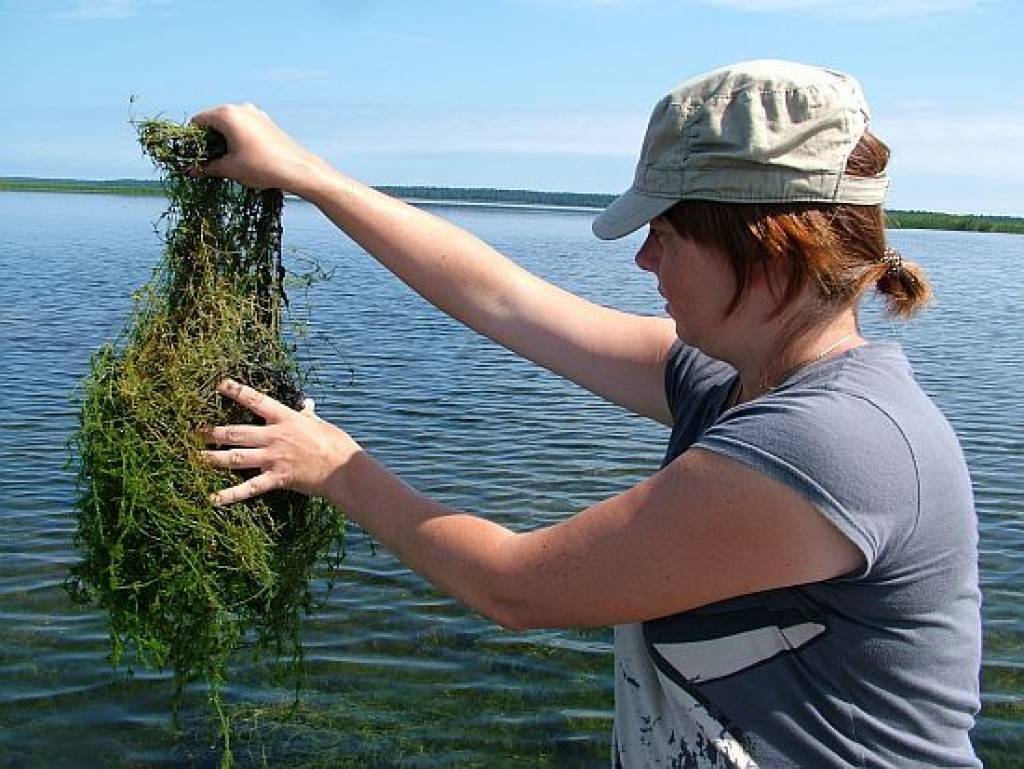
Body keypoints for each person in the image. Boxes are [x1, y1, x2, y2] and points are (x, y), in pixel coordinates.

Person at [193, 60, 981, 767]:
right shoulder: (731, 380)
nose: (642, 259)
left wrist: (336, 468)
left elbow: (516, 588)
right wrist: (308, 176)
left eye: (665, 233)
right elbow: (505, 300)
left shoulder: (834, 442)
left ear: (769, 245)